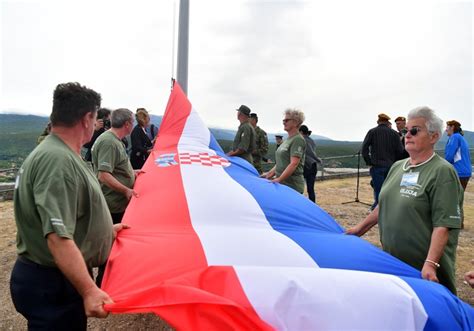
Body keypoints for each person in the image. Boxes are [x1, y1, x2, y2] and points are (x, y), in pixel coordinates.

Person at [10, 82, 128, 329]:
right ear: (87, 119)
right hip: (53, 282)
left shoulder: (58, 153)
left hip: (52, 279)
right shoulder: (57, 161)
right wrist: (89, 290)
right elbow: (57, 237)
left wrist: (105, 230)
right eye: (96, 118)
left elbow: (66, 214)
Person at [347, 106, 463, 294]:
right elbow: (385, 204)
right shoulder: (398, 167)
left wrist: (430, 264)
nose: (407, 135)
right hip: (394, 264)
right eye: (405, 131)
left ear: (434, 137)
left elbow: (444, 224)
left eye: (414, 130)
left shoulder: (442, 172)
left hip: (422, 271)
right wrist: (359, 229)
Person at [92, 108, 137, 224]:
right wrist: (126, 190)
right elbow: (103, 175)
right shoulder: (109, 142)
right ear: (127, 124)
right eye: (133, 122)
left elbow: (116, 166)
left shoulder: (115, 140)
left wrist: (133, 172)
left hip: (117, 203)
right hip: (113, 205)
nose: (134, 125)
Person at [362, 113, 404, 210]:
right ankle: (387, 208)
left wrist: (368, 161)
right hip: (391, 166)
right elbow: (400, 151)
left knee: (378, 188)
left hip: (376, 165)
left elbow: (364, 148)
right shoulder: (394, 133)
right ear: (387, 122)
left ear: (378, 121)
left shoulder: (372, 132)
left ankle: (378, 208)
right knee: (389, 188)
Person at [262, 109, 306, 193]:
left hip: (292, 185)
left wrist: (279, 179)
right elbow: (281, 162)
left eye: (287, 120)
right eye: (283, 120)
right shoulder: (287, 140)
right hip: (282, 184)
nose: (284, 122)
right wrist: (269, 174)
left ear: (296, 122)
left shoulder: (298, 139)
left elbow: (294, 163)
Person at [445, 120, 472, 190]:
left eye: (447, 127)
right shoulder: (461, 138)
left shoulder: (454, 137)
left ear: (452, 127)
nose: (445, 130)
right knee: (458, 197)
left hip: (458, 172)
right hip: (466, 172)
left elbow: (449, 157)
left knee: (452, 197)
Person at [299, 125, 321, 203]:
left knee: (299, 188)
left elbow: (306, 154)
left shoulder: (301, 140)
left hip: (305, 166)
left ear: (301, 132)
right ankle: (313, 205)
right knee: (310, 189)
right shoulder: (312, 141)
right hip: (313, 165)